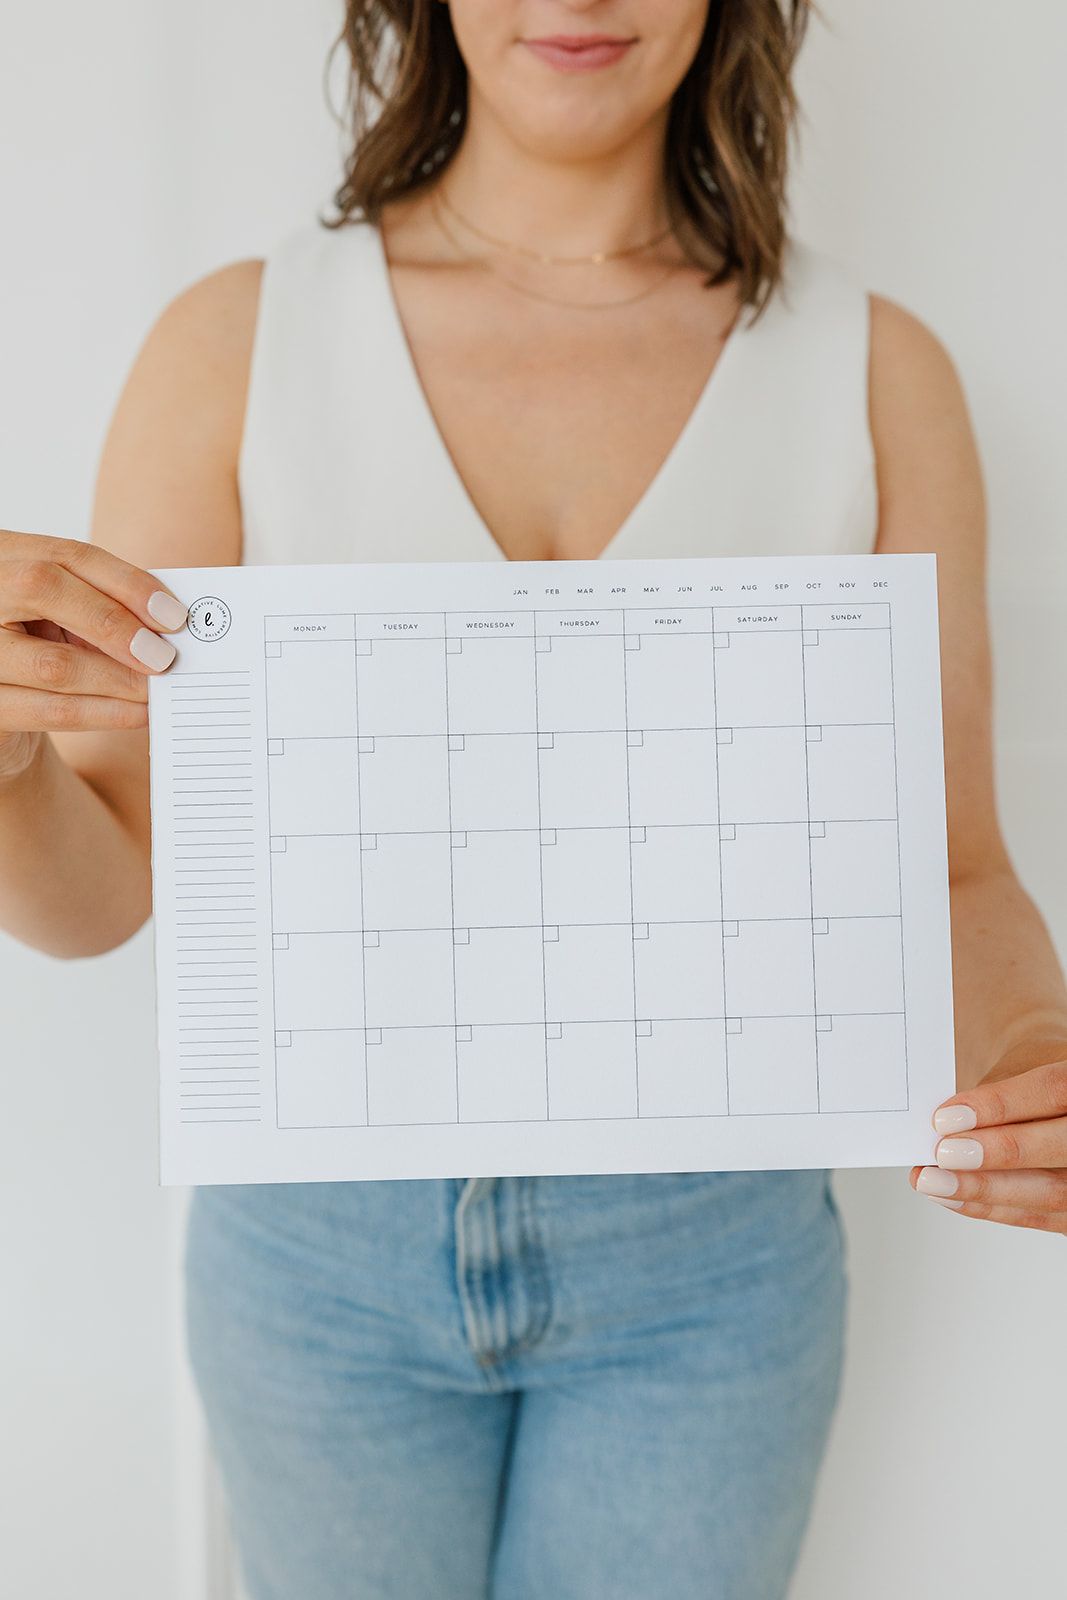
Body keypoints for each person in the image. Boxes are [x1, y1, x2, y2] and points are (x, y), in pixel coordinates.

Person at [1, 3, 1065, 1595]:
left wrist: (1034, 1056)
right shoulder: (232, 342)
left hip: (718, 1261)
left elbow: (955, 864)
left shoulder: (875, 367)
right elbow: (104, 895)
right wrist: (8, 761)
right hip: (314, 1259)